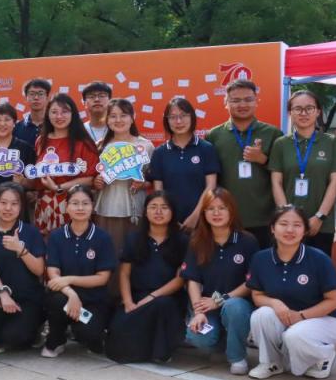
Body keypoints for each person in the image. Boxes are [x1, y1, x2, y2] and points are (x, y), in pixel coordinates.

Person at [246, 205, 336, 379]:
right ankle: (271, 362)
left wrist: (302, 316)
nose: (290, 230)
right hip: (287, 318)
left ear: (305, 231)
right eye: (283, 224)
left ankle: (323, 355)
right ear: (272, 228)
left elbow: (334, 301)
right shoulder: (261, 258)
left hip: (322, 319)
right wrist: (275, 303)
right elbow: (257, 295)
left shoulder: (319, 259)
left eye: (297, 225)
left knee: (293, 336)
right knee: (261, 315)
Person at [105, 192, 188, 363]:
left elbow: (180, 279)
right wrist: (128, 302)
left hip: (168, 299)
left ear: (172, 212)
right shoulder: (134, 238)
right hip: (137, 297)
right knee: (117, 340)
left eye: (164, 207)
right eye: (153, 207)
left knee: (162, 305)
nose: (158, 212)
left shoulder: (182, 241)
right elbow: (124, 273)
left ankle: (161, 352)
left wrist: (151, 297)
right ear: (145, 211)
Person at [183, 188, 258, 374]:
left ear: (231, 210)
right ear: (204, 213)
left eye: (222, 208)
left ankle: (237, 357)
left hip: (235, 304)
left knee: (234, 307)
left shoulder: (247, 241)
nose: (216, 213)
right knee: (200, 338)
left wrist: (220, 300)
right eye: (210, 209)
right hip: (206, 305)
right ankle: (222, 341)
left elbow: (251, 282)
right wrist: (198, 311)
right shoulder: (197, 240)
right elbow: (192, 279)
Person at [206, 79, 283, 248]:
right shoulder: (214, 135)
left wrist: (263, 159)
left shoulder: (273, 133)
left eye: (248, 99)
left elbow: (284, 174)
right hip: (226, 218)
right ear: (226, 102)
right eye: (235, 100)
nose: (242, 105)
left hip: (264, 218)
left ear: (256, 101)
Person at [268, 90, 336, 256]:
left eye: (309, 108)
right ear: (290, 113)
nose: (303, 113)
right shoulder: (281, 144)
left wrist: (319, 216)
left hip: (321, 225)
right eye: (297, 109)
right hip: (288, 227)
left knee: (317, 268)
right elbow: (276, 182)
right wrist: (287, 218)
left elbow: (335, 183)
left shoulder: (332, 142)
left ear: (318, 112)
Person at [43, 185, 114, 357]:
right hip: (65, 297)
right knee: (55, 299)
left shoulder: (102, 237)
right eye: (75, 203)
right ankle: (57, 339)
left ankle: (83, 330)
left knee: (90, 334)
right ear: (67, 207)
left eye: (85, 203)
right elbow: (53, 273)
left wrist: (69, 279)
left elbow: (102, 278)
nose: (80, 208)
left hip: (92, 300)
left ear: (92, 206)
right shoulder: (57, 236)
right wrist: (71, 294)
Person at [0, 183, 47, 353]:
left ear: (21, 206)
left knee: (16, 338)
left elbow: (39, 270)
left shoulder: (31, 232)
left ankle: (33, 329)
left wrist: (21, 250)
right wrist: (3, 293)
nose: (8, 208)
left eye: (14, 203)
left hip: (28, 298)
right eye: (3, 203)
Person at [92, 98, 154, 258]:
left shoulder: (145, 146)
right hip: (106, 208)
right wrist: (96, 182)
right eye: (113, 116)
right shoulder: (100, 146)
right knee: (108, 255)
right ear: (107, 119)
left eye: (123, 115)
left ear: (133, 117)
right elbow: (92, 177)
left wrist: (143, 183)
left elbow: (154, 180)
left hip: (134, 210)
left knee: (133, 255)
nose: (118, 120)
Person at [150, 97, 221, 232]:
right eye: (173, 117)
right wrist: (169, 217)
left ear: (192, 117)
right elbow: (159, 192)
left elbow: (211, 186)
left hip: (202, 220)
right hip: (170, 222)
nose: (178, 121)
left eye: (183, 116)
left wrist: (196, 215)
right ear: (167, 121)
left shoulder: (206, 148)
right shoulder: (160, 152)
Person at [32, 93, 98, 235]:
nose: (59, 116)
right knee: (45, 243)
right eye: (54, 112)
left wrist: (58, 188)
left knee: (70, 242)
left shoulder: (83, 142)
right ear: (47, 114)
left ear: (73, 114)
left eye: (64, 112)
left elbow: (90, 178)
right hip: (44, 204)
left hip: (73, 204)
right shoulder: (41, 141)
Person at [14, 78, 51, 148]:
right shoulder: (16, 128)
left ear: (48, 97)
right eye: (32, 94)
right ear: (26, 97)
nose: (36, 97)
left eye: (41, 94)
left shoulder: (54, 126)